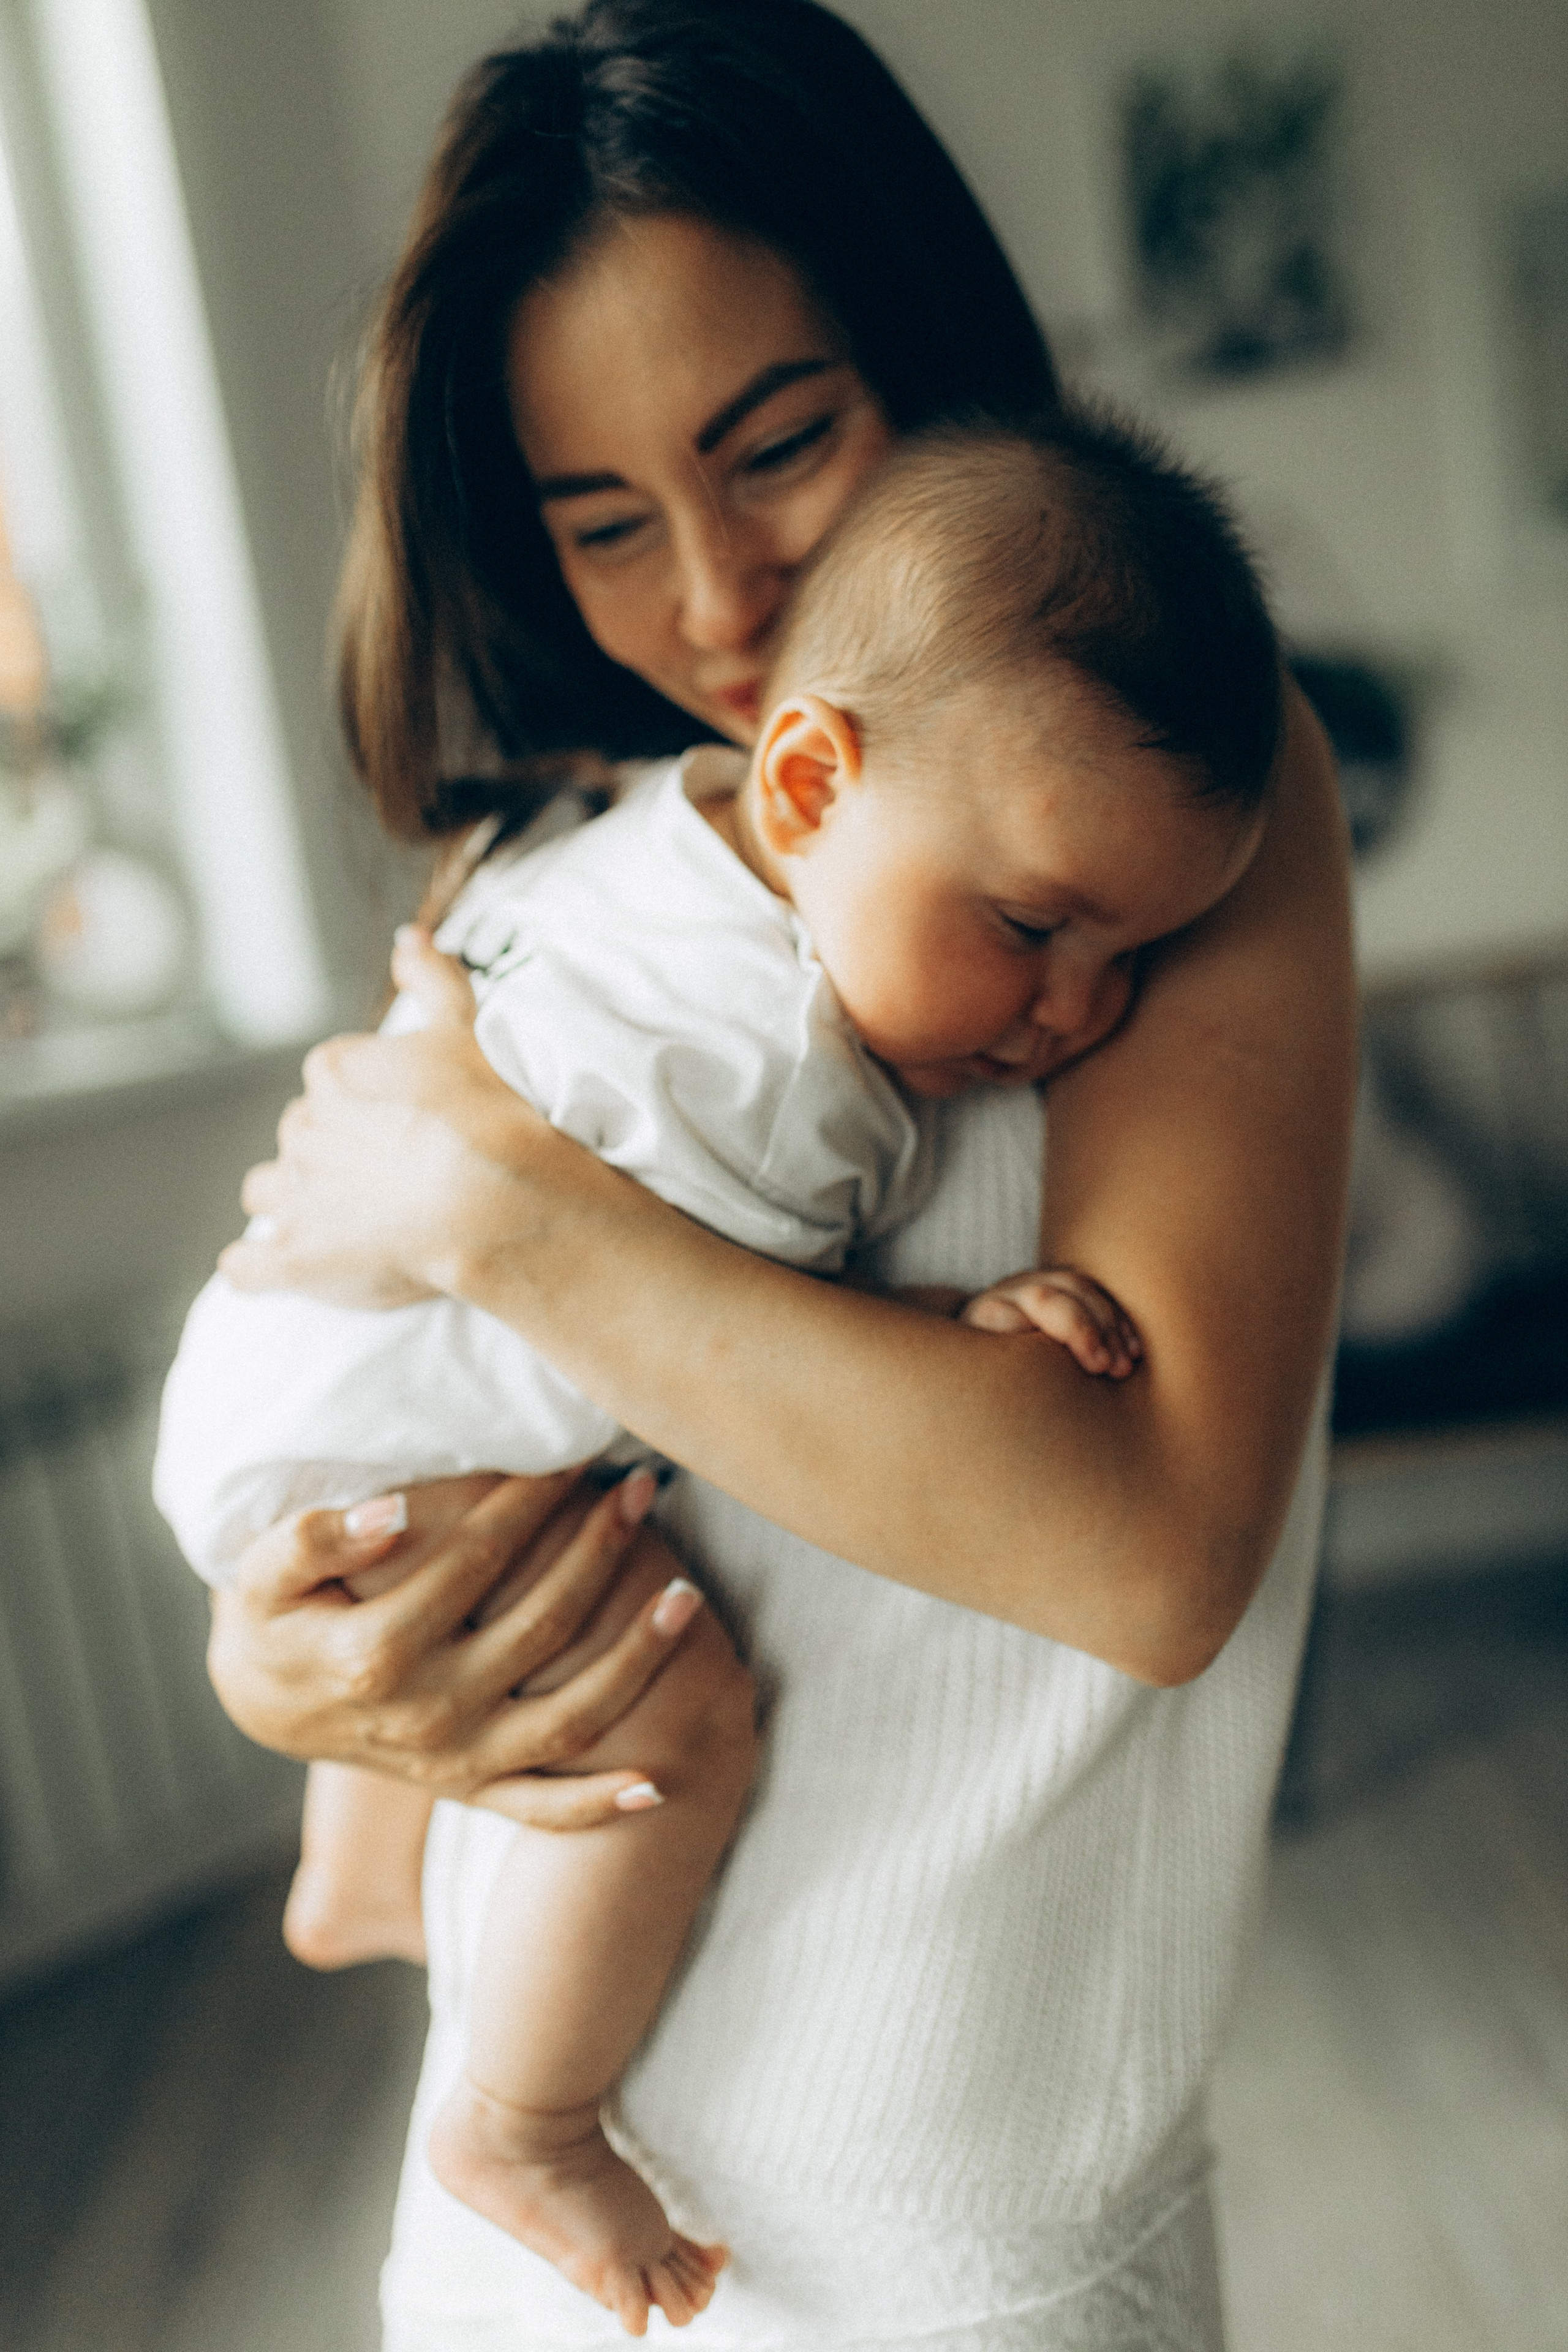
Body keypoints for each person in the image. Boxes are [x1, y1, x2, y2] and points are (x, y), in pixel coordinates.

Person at [204, 4, 1357, 2345]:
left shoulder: (1156, 819)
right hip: (538, 2210)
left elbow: (1142, 1554)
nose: (717, 598)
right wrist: (290, 1664)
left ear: (927, 362)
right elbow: (414, 1402)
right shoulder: (551, 867)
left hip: (950, 2251)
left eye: (783, 445)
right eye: (600, 521)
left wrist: (508, 1210)